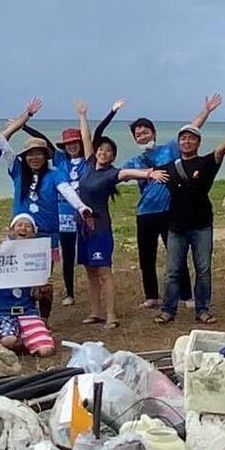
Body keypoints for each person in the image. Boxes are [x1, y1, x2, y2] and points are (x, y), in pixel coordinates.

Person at [76, 101, 170, 329]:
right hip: (82, 227)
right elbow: (86, 138)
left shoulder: (112, 173)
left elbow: (130, 173)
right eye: (101, 150)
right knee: (90, 272)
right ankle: (96, 312)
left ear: (112, 156)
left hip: (99, 228)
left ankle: (111, 316)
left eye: (108, 151)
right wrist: (83, 115)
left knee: (104, 271)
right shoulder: (88, 165)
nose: (103, 153)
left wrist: (149, 173)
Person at [124, 94, 223, 309]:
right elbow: (122, 174)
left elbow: (190, 130)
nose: (142, 136)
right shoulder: (135, 160)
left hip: (169, 211)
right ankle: (151, 296)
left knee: (175, 256)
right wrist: (148, 173)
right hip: (145, 212)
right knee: (146, 257)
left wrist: (206, 111)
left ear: (154, 133)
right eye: (138, 135)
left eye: (145, 132)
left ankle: (186, 295)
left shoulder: (169, 149)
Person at [22, 99, 124, 306]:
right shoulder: (59, 160)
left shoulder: (90, 161)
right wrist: (23, 125)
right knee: (67, 255)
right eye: (68, 144)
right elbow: (43, 140)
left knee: (89, 259)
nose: (72, 146)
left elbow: (92, 136)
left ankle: (94, 300)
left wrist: (101, 113)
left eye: (75, 142)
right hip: (63, 216)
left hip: (85, 216)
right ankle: (69, 292)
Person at [153, 123, 225, 325]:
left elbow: (222, 149)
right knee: (172, 271)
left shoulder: (206, 163)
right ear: (179, 143)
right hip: (176, 226)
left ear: (198, 142)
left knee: (203, 269)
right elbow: (145, 172)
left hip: (202, 225)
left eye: (191, 138)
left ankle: (202, 309)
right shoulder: (169, 168)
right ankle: (168, 309)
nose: (187, 141)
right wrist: (149, 173)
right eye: (183, 138)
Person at [9, 135, 92, 320]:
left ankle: (44, 319)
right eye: (30, 154)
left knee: (44, 279)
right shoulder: (18, 172)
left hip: (46, 237)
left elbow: (66, 190)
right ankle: (22, 314)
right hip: (20, 235)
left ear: (45, 156)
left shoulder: (55, 174)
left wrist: (80, 207)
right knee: (19, 277)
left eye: (38, 154)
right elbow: (5, 149)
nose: (34, 158)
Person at [0, 214, 56, 357]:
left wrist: (43, 289)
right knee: (8, 341)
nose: (23, 228)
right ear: (11, 231)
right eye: (19, 225)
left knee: (47, 351)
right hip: (5, 312)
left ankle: (28, 336)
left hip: (27, 311)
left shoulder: (37, 258)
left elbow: (36, 296)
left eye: (28, 226)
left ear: (33, 233)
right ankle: (9, 338)